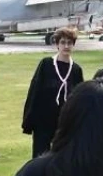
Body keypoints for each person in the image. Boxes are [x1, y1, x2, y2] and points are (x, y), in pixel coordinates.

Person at [22, 28, 85, 159]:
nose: (66, 46)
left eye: (69, 43)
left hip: (65, 121)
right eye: (63, 42)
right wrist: (29, 120)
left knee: (63, 156)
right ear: (57, 44)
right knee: (40, 157)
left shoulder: (76, 70)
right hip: (44, 120)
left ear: (73, 44)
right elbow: (35, 91)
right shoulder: (46, 64)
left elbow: (79, 98)